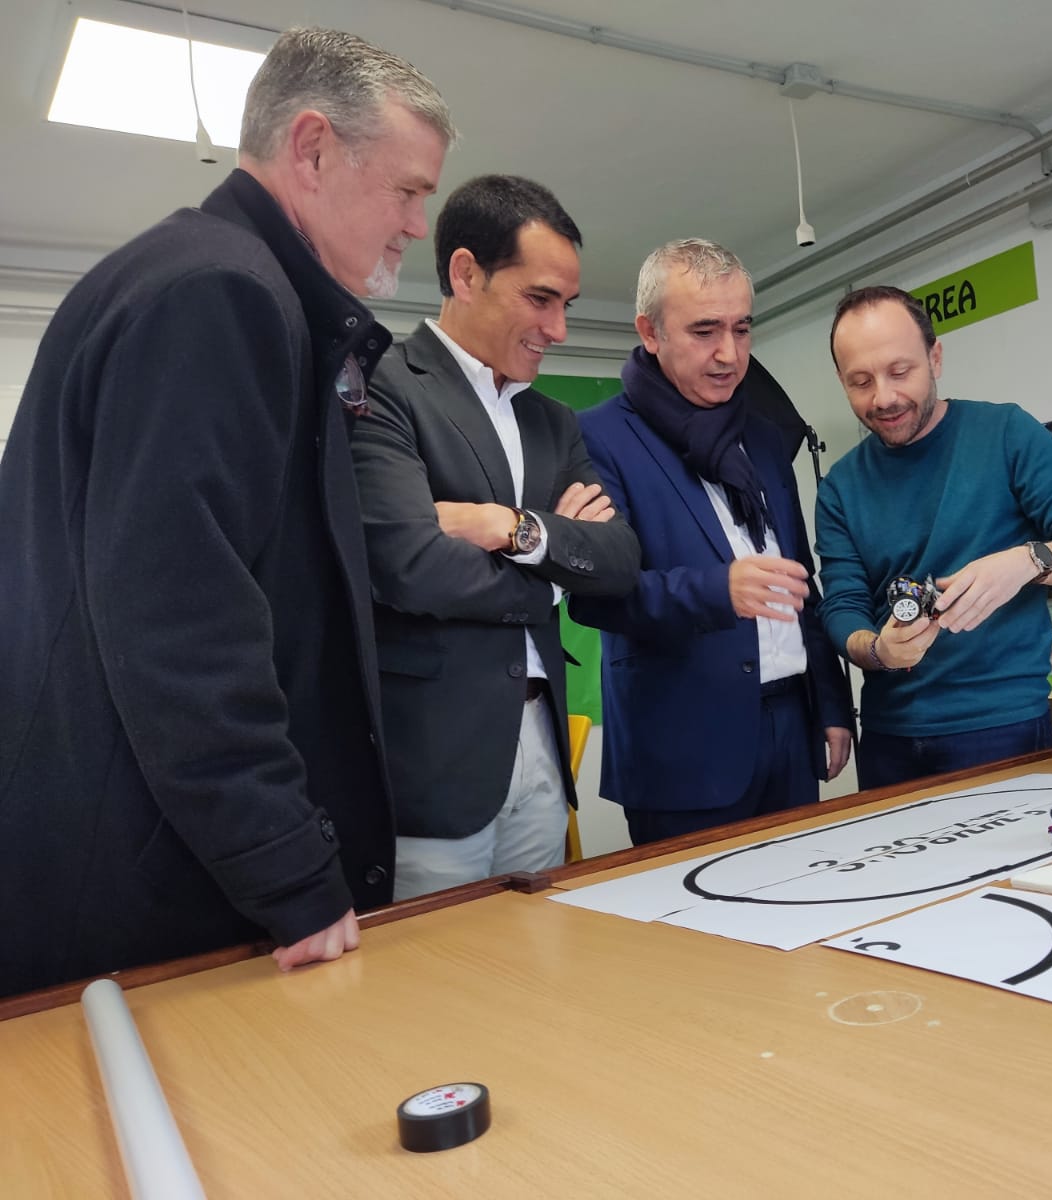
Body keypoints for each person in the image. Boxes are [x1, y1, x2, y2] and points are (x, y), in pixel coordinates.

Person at [0, 28, 454, 997]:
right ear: (312, 148)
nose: (418, 225)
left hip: (129, 859)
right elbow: (179, 617)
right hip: (150, 894)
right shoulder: (222, 294)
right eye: (408, 190)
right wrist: (287, 865)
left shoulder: (193, 274)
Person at [350, 176, 640, 898]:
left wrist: (510, 528)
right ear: (465, 273)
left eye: (567, 305)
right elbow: (411, 565)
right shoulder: (382, 386)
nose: (559, 329)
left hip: (542, 756)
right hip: (434, 769)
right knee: (437, 967)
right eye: (540, 299)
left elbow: (618, 562)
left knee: (539, 959)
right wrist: (554, 570)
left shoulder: (552, 421)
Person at [568, 239, 853, 845]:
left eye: (741, 329)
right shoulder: (595, 438)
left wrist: (831, 704)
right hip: (681, 750)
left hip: (790, 727)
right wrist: (717, 590)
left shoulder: (765, 438)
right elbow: (594, 596)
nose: (729, 353)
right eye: (704, 331)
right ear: (650, 332)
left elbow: (799, 579)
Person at [816, 286, 1052, 790]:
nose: (883, 398)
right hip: (890, 740)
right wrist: (877, 650)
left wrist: (1029, 561)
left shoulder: (1005, 433)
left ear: (935, 357)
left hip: (1003, 729)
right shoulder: (840, 486)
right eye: (861, 382)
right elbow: (842, 605)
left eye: (900, 371)